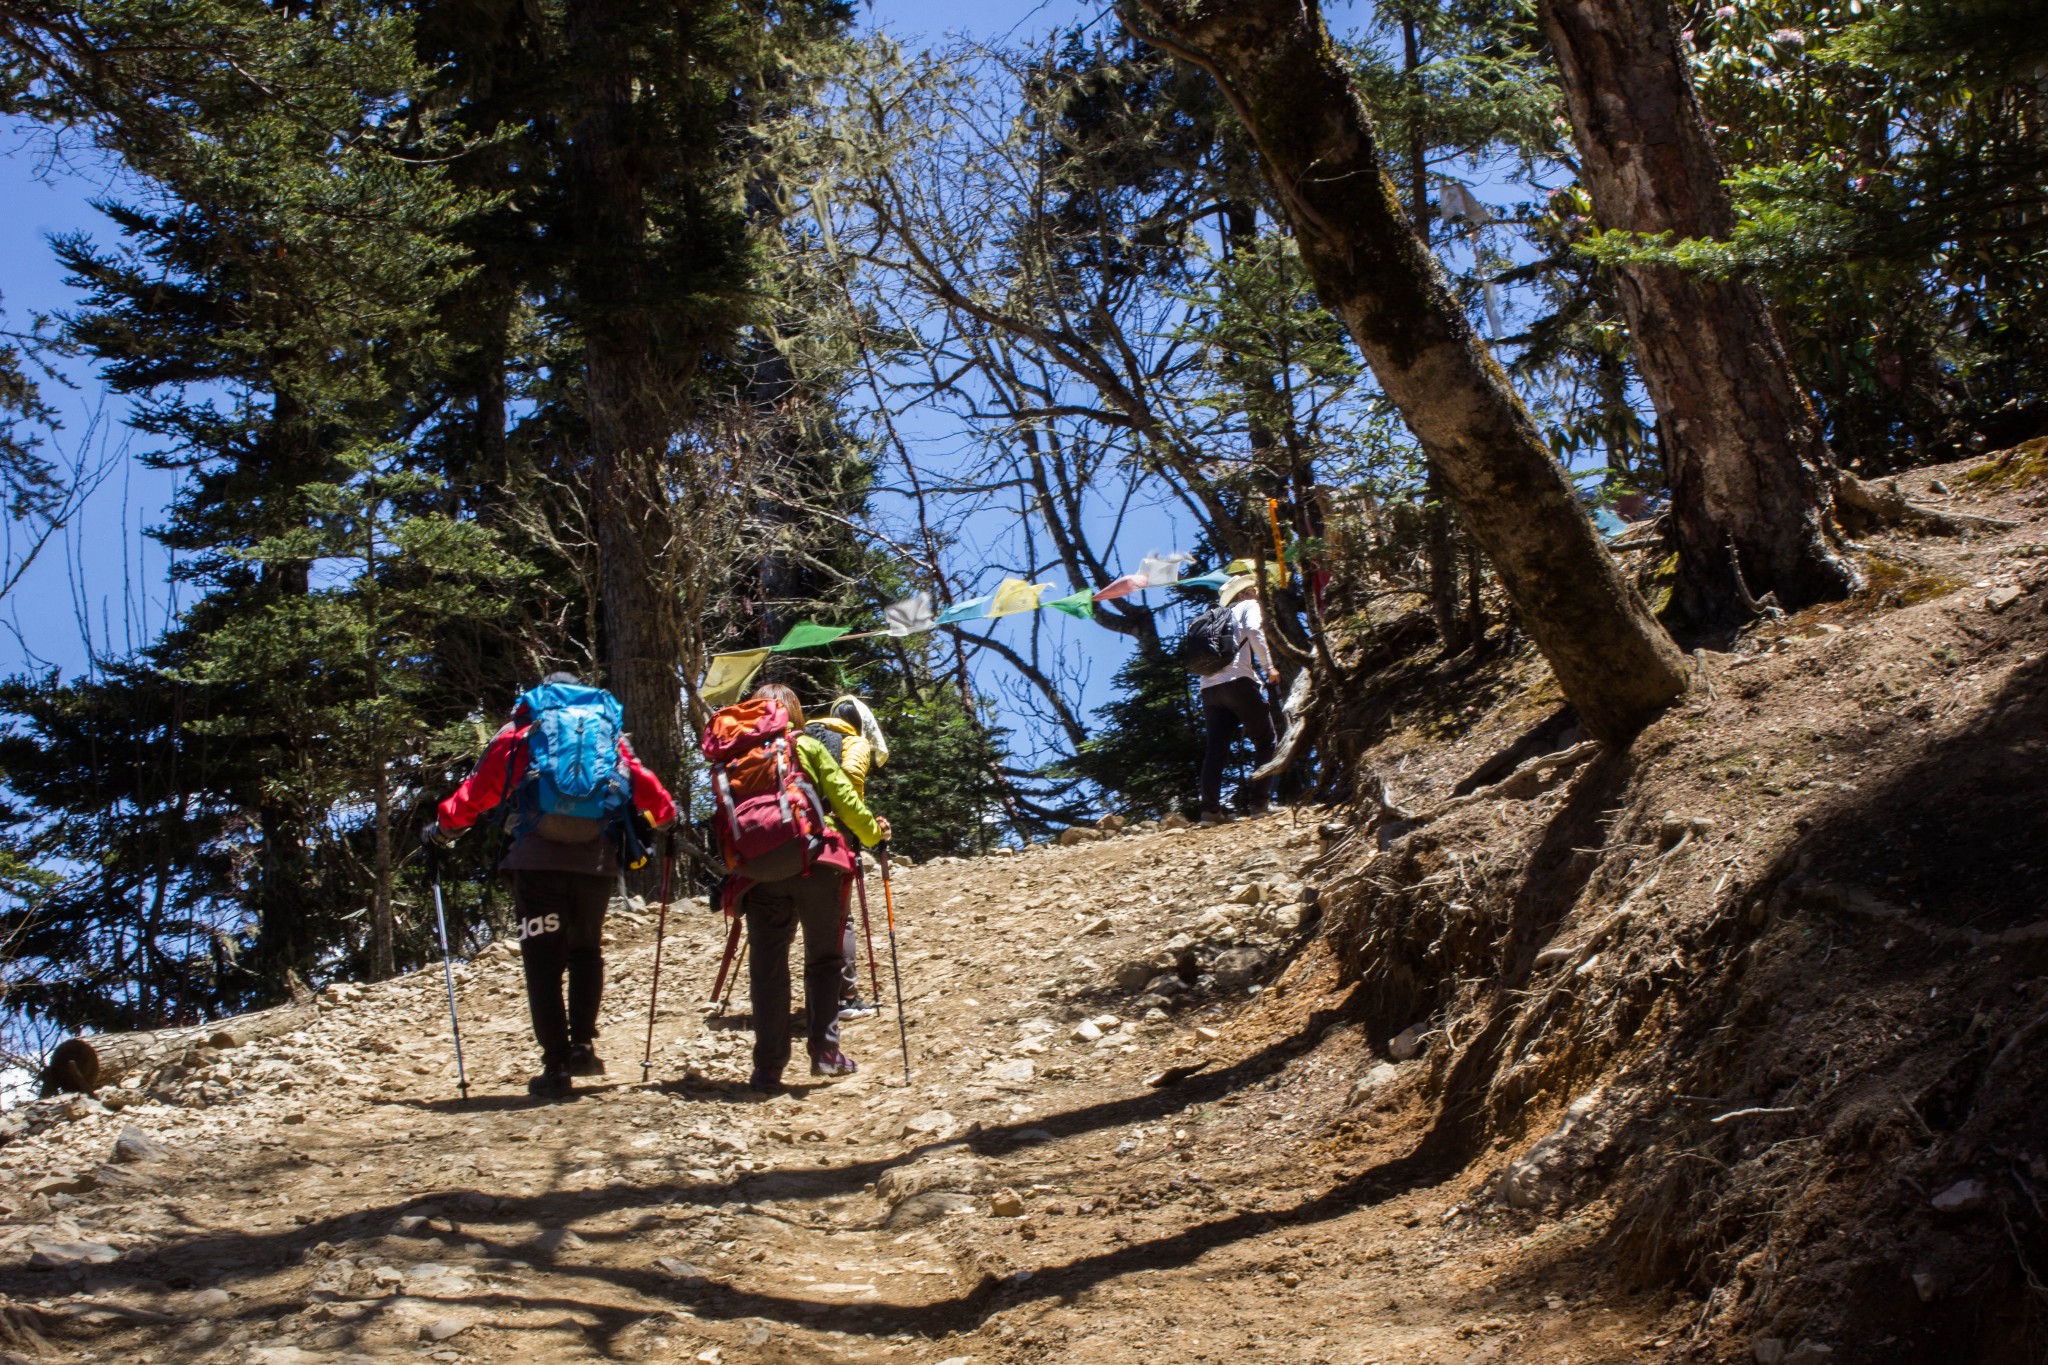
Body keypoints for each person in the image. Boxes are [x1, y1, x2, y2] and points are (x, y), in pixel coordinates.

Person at [422, 673, 677, 1098]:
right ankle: (583, 1046)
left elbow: (476, 794)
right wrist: (668, 817)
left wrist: (442, 831)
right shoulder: (609, 735)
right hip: (595, 865)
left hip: (537, 865)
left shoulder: (523, 735)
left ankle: (556, 1066)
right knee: (585, 951)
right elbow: (644, 785)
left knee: (543, 963)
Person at [717, 683, 888, 1092]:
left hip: (758, 873)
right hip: (816, 862)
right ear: (792, 713)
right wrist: (873, 836)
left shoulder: (735, 759)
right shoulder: (804, 746)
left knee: (767, 969)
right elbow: (844, 796)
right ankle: (826, 1053)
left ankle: (768, 1069)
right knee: (824, 960)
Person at [805, 695, 888, 1021]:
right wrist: (863, 828)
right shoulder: (854, 742)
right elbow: (851, 784)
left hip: (794, 834)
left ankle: (818, 997)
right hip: (832, 837)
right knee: (842, 919)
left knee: (810, 919)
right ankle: (845, 996)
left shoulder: (807, 737)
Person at [1198, 576, 1280, 825]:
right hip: (1239, 682)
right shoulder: (1248, 606)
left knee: (1216, 750)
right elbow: (1254, 631)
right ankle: (1259, 804)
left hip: (1209, 689)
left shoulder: (1212, 616)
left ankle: (1210, 811)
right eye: (1254, 590)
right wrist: (1269, 667)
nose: (1257, 595)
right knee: (1266, 741)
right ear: (1244, 594)